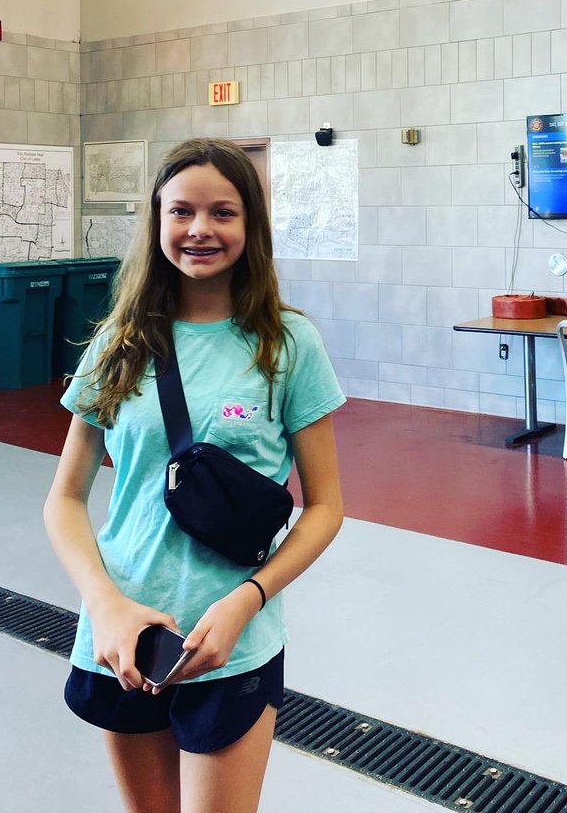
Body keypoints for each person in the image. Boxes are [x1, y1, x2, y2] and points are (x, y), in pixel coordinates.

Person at [44, 138, 344, 813]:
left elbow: (325, 507)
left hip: (231, 644)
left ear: (251, 227)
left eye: (223, 212)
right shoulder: (118, 344)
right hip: (125, 637)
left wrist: (249, 600)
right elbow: (64, 499)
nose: (200, 229)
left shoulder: (288, 345)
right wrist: (106, 605)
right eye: (182, 211)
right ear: (157, 222)